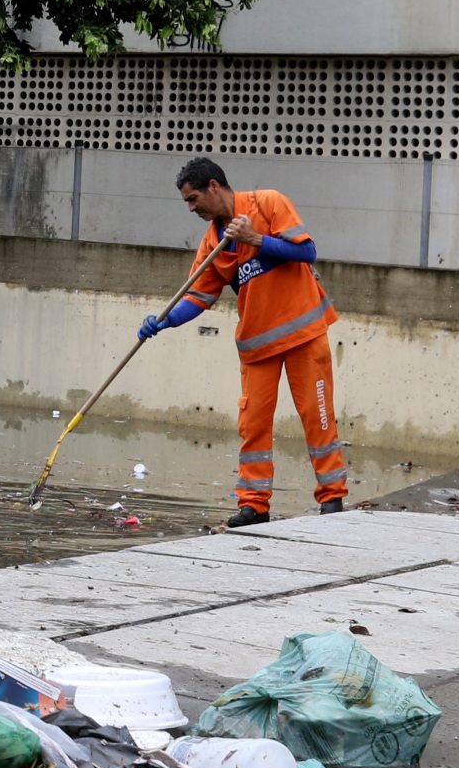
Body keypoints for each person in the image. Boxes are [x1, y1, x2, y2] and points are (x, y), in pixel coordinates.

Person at [138, 158, 347, 528]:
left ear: (214, 187)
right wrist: (164, 321)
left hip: (304, 335)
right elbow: (199, 297)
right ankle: (254, 506)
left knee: (318, 418)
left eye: (193, 198)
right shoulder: (213, 243)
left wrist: (255, 240)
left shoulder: (269, 203)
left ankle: (331, 499)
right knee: (253, 426)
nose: (191, 208)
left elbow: (306, 251)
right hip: (257, 346)